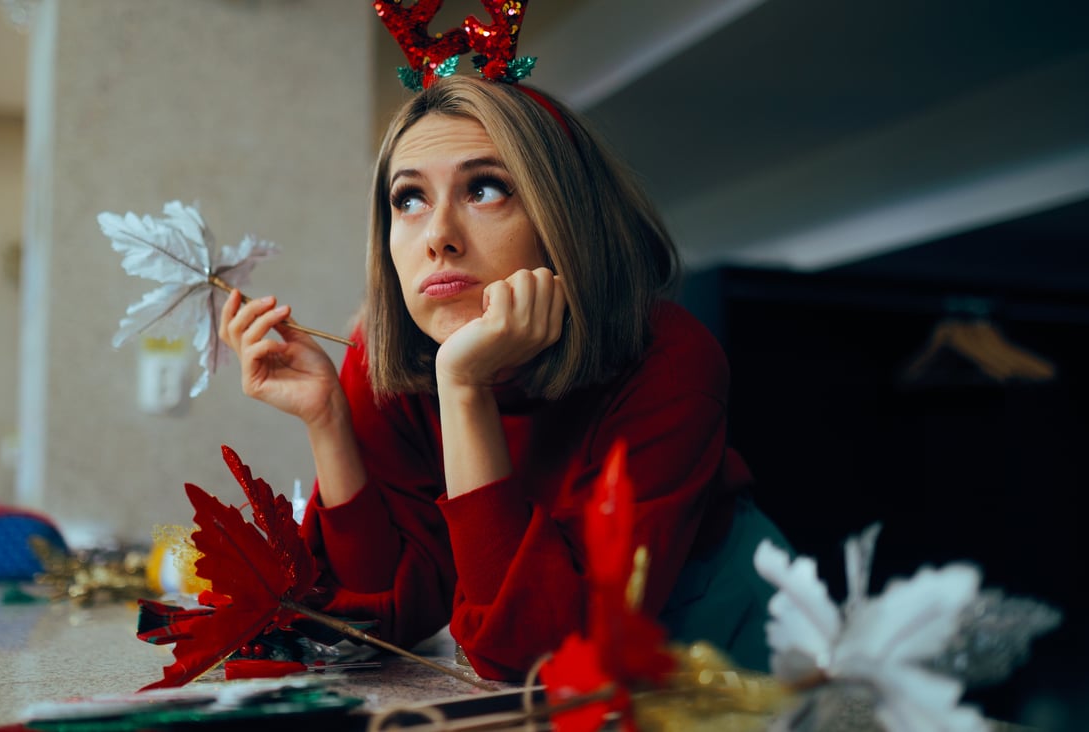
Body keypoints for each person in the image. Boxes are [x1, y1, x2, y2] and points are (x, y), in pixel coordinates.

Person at [219, 75, 786, 681]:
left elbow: (542, 657)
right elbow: (379, 624)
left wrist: (463, 390)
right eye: (408, 199)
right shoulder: (383, 352)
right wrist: (328, 421)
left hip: (727, 661)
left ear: (565, 218)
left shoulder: (669, 357)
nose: (437, 236)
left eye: (485, 188)